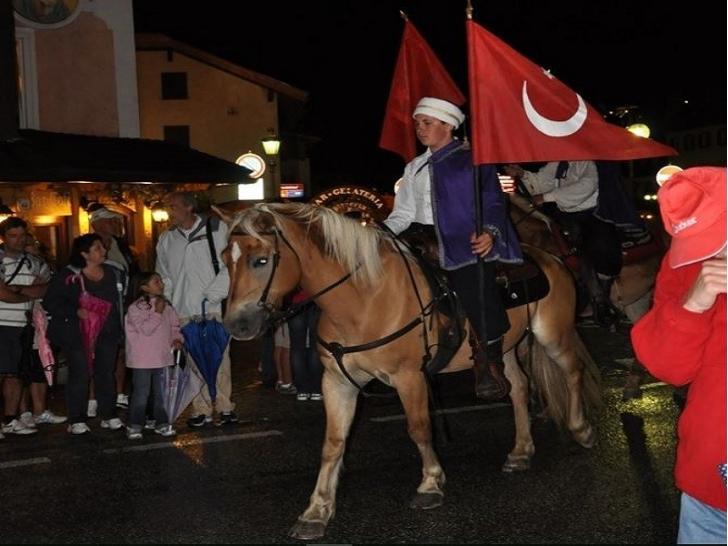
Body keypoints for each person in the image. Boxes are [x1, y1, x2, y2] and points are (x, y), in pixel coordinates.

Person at [384, 97, 523, 401]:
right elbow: (403, 213)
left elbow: (494, 200)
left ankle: (490, 360)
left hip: (463, 238)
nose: (420, 129)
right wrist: (379, 235)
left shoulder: (474, 158)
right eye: (418, 123)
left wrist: (489, 232)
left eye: (427, 123)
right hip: (419, 238)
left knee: (475, 284)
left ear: (448, 125)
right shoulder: (414, 166)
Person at [630, 167, 726, 544]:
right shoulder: (685, 264)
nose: (707, 258)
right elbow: (670, 369)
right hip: (708, 485)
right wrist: (693, 304)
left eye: (715, 242)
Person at [504, 161, 623, 325]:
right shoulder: (559, 163)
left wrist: (547, 197)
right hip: (565, 214)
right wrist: (523, 174)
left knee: (596, 246)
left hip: (592, 215)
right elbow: (541, 182)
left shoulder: (589, 162)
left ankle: (601, 300)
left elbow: (586, 186)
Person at [155, 192, 237, 427]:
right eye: (167, 206)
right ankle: (200, 409)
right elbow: (164, 275)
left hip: (214, 309)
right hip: (184, 310)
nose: (169, 211)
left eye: (173, 205)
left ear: (189, 207)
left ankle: (224, 406)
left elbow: (231, 264)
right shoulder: (167, 239)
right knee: (193, 362)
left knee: (220, 358)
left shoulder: (217, 229)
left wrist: (214, 294)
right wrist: (167, 300)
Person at [43, 234, 125, 435]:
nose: (103, 251)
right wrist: (75, 311)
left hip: (107, 332)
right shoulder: (69, 276)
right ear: (84, 253)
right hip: (78, 333)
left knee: (106, 372)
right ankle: (77, 418)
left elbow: (120, 302)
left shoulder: (113, 272)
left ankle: (108, 414)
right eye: (97, 248)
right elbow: (51, 302)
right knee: (80, 374)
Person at [0, 217, 50, 437]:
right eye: (13, 236)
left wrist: (16, 290)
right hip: (2, 323)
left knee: (16, 374)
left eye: (22, 235)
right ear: (4, 237)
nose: (19, 240)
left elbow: (45, 289)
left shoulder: (34, 261)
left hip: (24, 324)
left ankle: (10, 420)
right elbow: (2, 294)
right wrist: (25, 293)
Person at [87, 203, 139, 412]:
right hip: (95, 308)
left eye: (116, 221)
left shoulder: (122, 246)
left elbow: (133, 272)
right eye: (110, 221)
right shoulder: (87, 245)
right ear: (97, 224)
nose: (116, 225)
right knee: (94, 353)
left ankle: (118, 393)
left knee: (120, 352)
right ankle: (92, 398)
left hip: (121, 305)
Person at [124, 272, 183, 440]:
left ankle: (162, 423)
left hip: (163, 358)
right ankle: (135, 424)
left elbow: (174, 327)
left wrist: (177, 339)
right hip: (142, 360)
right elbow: (146, 329)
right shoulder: (135, 308)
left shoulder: (167, 306)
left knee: (162, 394)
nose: (161, 284)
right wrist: (157, 312)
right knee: (141, 393)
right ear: (144, 287)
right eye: (156, 281)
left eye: (161, 281)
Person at [17, 233, 66, 429]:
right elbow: (14, 289)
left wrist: (32, 288)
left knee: (42, 365)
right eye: (28, 244)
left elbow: (49, 288)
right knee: (21, 370)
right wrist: (31, 288)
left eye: (34, 243)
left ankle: (39, 410)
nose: (33, 247)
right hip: (22, 321)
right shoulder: (12, 264)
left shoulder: (44, 266)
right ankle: (22, 412)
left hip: (44, 321)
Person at [288, 289, 323, 401]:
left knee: (297, 349)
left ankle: (302, 390)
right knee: (315, 348)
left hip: (295, 303)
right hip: (315, 301)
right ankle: (316, 390)